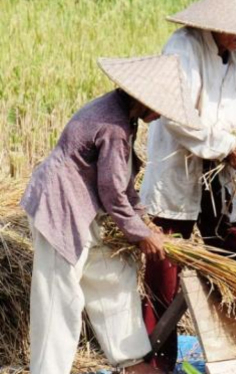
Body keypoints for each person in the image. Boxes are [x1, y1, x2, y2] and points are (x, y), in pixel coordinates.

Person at [20, 55, 201, 374]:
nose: (159, 116)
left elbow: (123, 182)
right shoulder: (114, 125)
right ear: (144, 99)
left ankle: (132, 360)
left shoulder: (124, 117)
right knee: (59, 296)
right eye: (159, 107)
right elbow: (112, 192)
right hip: (60, 206)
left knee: (114, 274)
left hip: (85, 208)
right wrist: (140, 234)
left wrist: (143, 220)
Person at [138, 0, 236, 370]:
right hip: (178, 172)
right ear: (213, 23)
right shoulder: (183, 48)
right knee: (163, 271)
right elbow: (175, 115)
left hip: (221, 179)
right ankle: (152, 364)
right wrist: (226, 146)